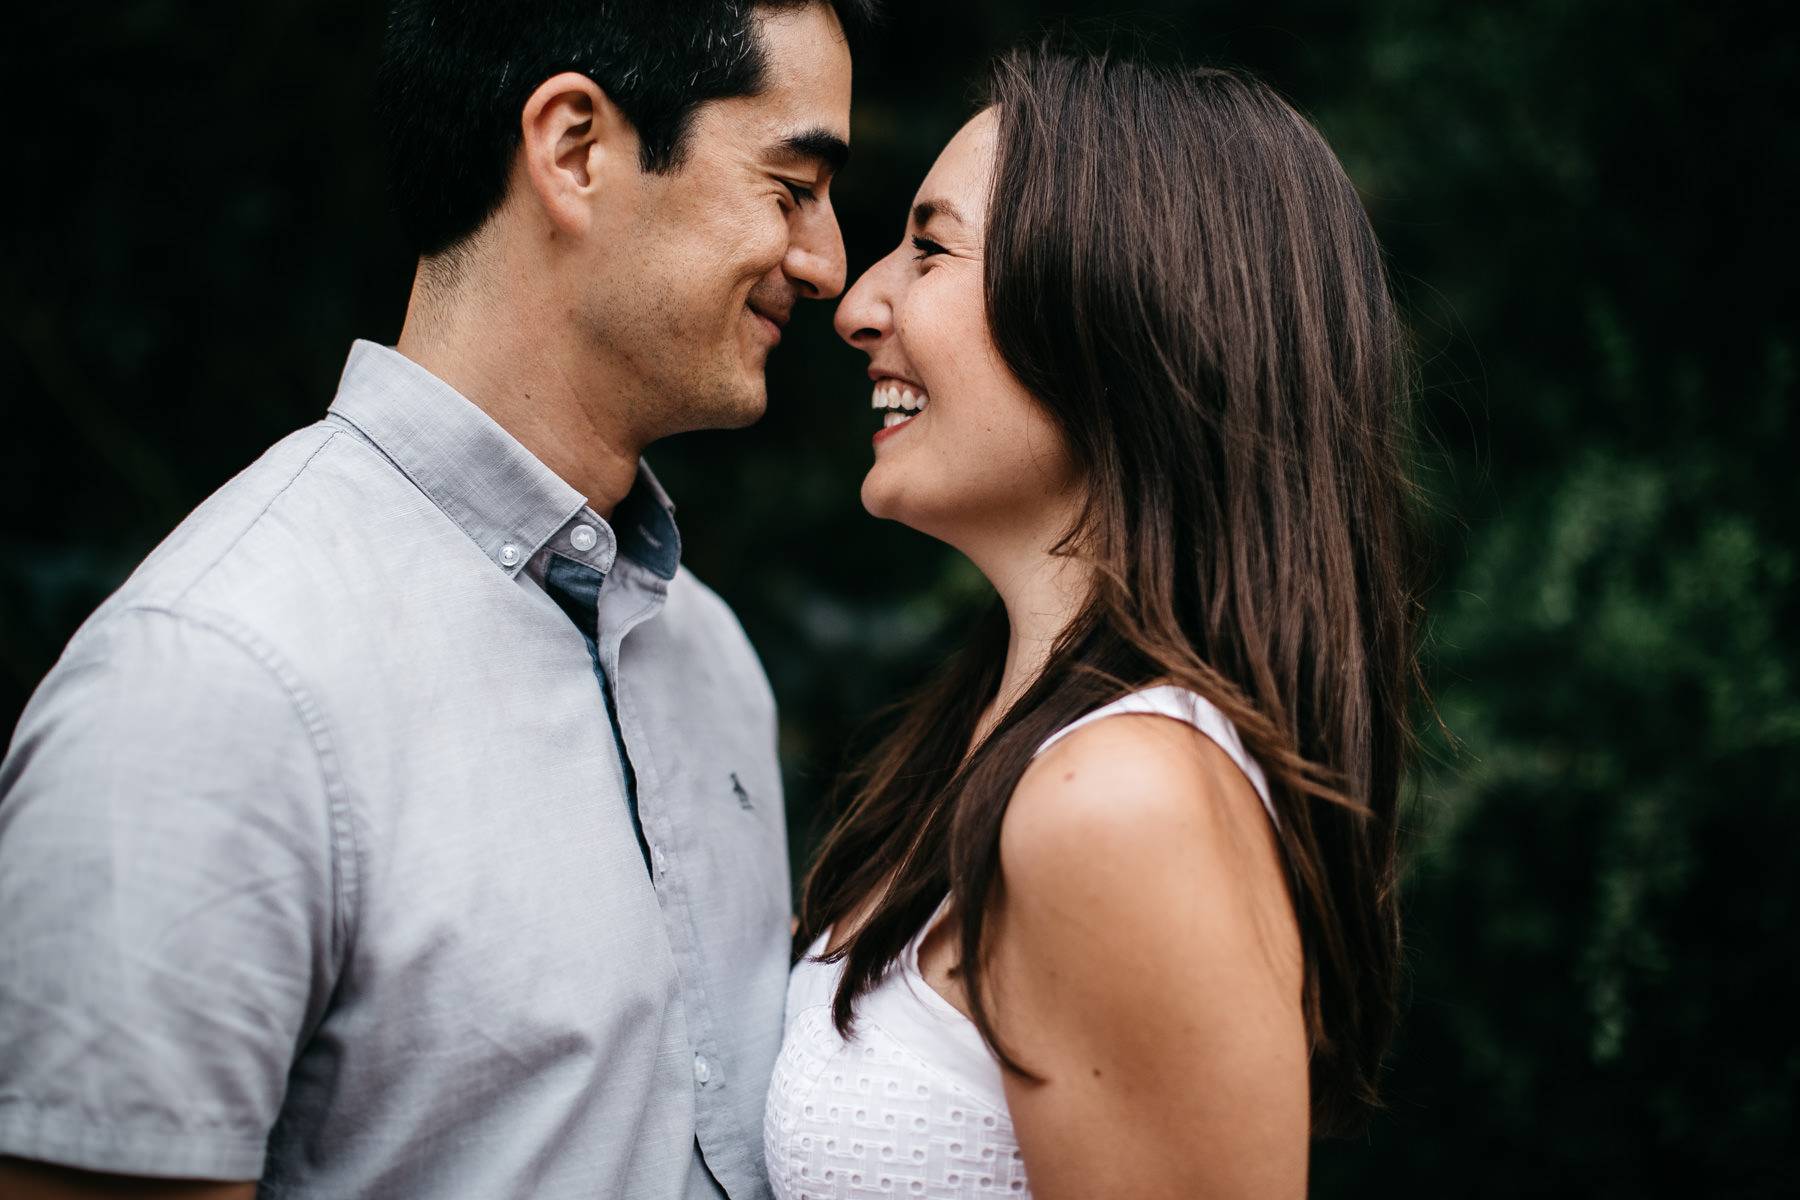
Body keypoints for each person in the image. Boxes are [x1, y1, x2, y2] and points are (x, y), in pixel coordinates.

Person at [0, 1, 873, 1196]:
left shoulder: (708, 656)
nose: (828, 263)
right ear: (574, 149)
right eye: (791, 186)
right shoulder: (212, 683)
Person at [764, 49, 1423, 1200]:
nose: (859, 302)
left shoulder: (1120, 802)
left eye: (930, 247)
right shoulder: (977, 753)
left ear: (1122, 310)